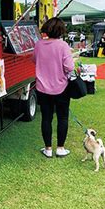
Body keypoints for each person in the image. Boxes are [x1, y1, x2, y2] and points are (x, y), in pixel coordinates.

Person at [33, 18, 75, 158]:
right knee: (63, 118)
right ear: (61, 31)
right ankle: (61, 148)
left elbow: (34, 59)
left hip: (42, 88)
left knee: (46, 118)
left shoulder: (38, 45)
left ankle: (48, 149)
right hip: (61, 87)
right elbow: (69, 67)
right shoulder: (63, 46)